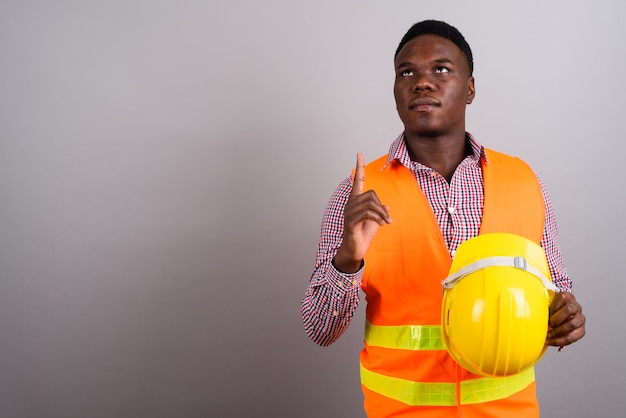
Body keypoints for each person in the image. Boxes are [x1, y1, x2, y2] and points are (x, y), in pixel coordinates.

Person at [301, 20, 586, 417]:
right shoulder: (359, 195)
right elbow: (319, 329)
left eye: (441, 69)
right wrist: (347, 259)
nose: (422, 82)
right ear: (396, 92)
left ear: (469, 88)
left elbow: (558, 294)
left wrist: (566, 317)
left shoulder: (523, 180)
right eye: (407, 73)